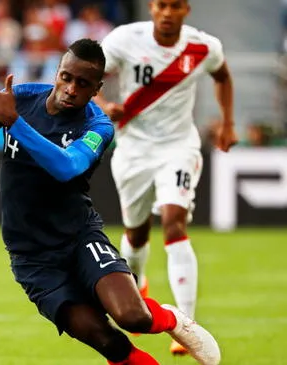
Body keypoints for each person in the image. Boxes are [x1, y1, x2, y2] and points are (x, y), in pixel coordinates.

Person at [0, 39, 220, 365]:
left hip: (79, 239)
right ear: (57, 72)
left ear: (97, 89)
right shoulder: (23, 98)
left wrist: (14, 123)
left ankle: (172, 319)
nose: (71, 88)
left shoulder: (97, 126)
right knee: (109, 343)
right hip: (32, 259)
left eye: (83, 84)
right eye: (66, 77)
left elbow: (66, 167)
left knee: (133, 318)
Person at [93, 0, 237, 356]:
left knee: (174, 222)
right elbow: (88, 73)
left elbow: (222, 75)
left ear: (186, 9)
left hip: (178, 147)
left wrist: (228, 122)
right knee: (136, 232)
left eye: (175, 6)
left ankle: (186, 324)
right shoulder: (124, 39)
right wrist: (101, 105)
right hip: (132, 150)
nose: (168, 12)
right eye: (161, 5)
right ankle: (137, 287)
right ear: (152, 9)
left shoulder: (203, 46)